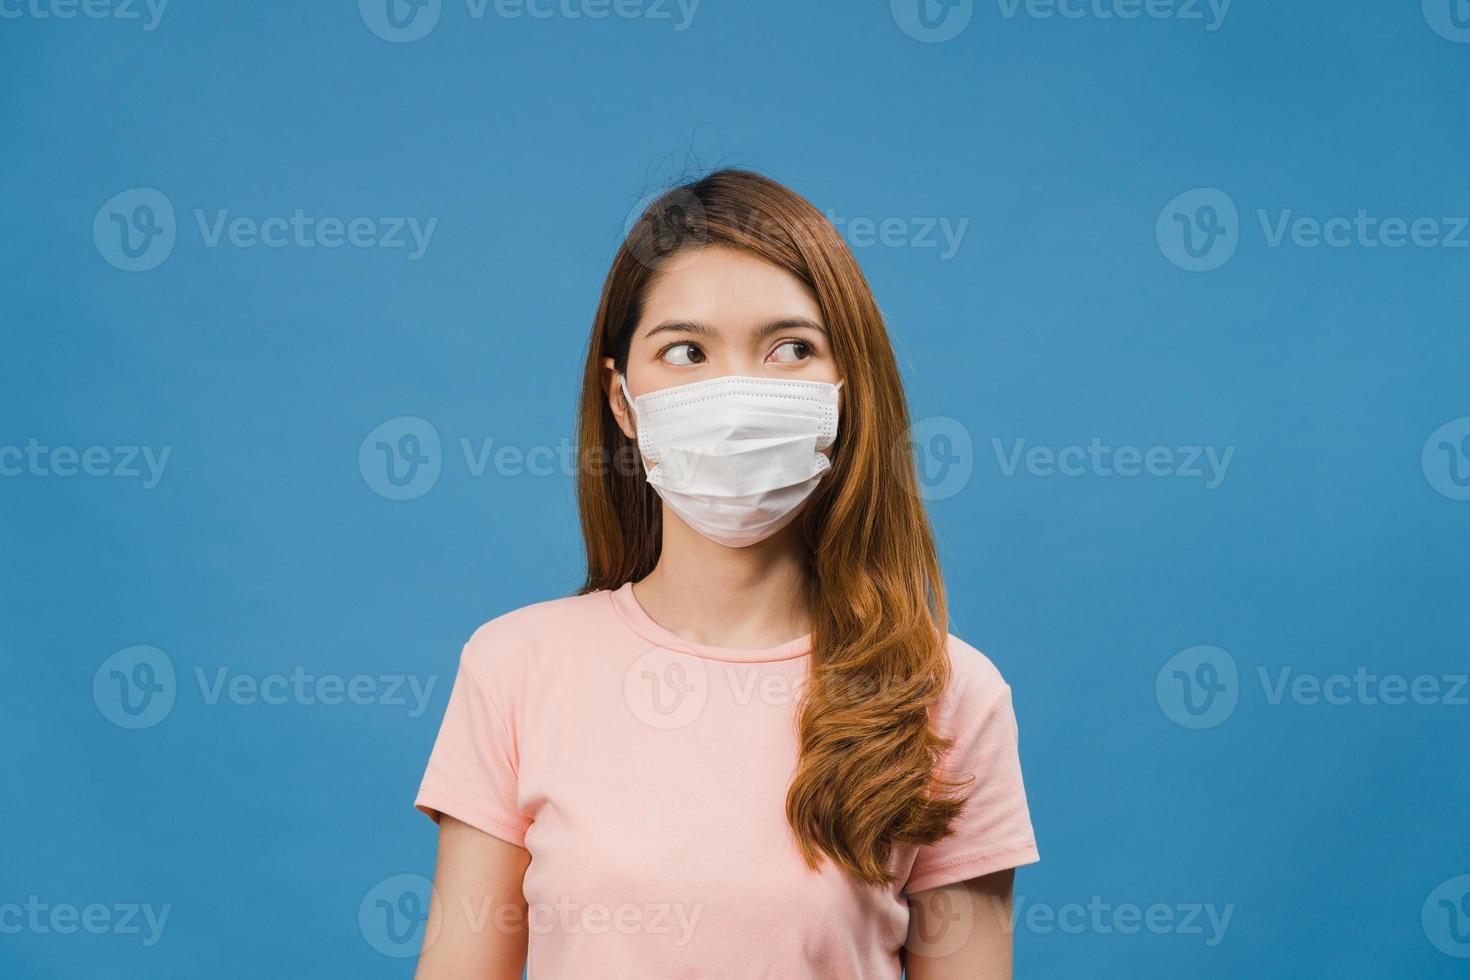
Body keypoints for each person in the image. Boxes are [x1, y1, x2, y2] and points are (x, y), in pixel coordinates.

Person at [412, 169, 1039, 979]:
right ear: (623, 402)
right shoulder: (515, 669)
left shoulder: (949, 693)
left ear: (847, 392)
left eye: (791, 349)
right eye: (685, 351)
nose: (737, 396)